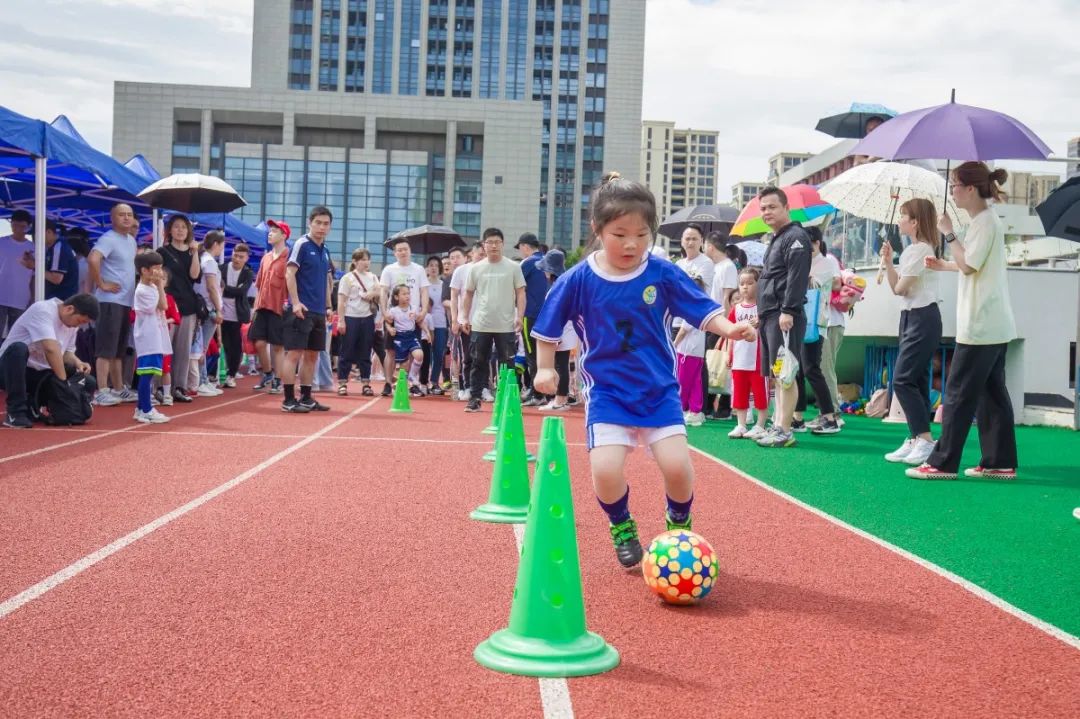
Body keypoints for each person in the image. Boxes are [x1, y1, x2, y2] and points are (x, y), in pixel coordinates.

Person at [531, 172, 755, 568]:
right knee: (604, 469)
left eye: (641, 234)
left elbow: (702, 310)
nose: (631, 243)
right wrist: (545, 368)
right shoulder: (579, 279)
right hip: (608, 394)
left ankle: (678, 521)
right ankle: (621, 525)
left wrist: (730, 328)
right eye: (620, 234)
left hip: (658, 391)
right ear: (598, 230)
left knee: (677, 467)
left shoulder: (661, 272)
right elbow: (547, 325)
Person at [907, 163, 1018, 480]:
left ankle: (942, 462)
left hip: (981, 324)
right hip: (992, 323)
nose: (951, 190)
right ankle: (999, 461)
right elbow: (973, 263)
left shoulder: (984, 222)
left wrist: (948, 233)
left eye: (954, 184)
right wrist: (944, 265)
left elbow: (970, 264)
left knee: (957, 393)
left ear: (971, 188)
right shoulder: (984, 221)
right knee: (992, 394)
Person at [883, 198, 942, 465]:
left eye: (903, 215)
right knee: (914, 380)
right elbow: (897, 289)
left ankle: (925, 439)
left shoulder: (921, 250)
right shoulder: (911, 251)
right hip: (910, 316)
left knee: (903, 379)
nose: (900, 220)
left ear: (915, 221)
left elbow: (900, 289)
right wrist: (888, 262)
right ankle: (917, 438)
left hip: (922, 316)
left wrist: (892, 268)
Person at [753, 187, 811, 448]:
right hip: (770, 316)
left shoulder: (796, 237)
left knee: (785, 373)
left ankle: (785, 429)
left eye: (772, 207)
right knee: (778, 375)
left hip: (783, 315)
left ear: (786, 208)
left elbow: (796, 279)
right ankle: (778, 424)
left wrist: (788, 310)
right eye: (763, 208)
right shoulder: (776, 238)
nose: (766, 212)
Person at [0, 294, 98, 428]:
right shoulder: (43, 310)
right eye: (80, 321)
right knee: (18, 349)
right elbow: (51, 349)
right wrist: (64, 385)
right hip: (10, 368)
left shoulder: (71, 325)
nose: (79, 326)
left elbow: (66, 353)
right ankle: (15, 413)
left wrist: (78, 362)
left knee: (88, 381)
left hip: (39, 373)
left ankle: (35, 405)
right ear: (69, 309)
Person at [462, 227, 526, 413]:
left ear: (503, 244)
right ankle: (474, 399)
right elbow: (468, 294)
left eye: (497, 242)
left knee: (508, 364)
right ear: (484, 245)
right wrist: (464, 317)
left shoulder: (513, 267)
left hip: (506, 325)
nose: (493, 245)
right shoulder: (476, 268)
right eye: (489, 242)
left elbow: (521, 293)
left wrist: (519, 317)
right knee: (478, 362)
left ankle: (508, 400)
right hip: (481, 324)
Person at [281, 207, 333, 413]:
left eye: (326, 223)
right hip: (301, 310)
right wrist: (295, 302)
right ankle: (287, 399)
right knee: (293, 354)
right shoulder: (301, 245)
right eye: (318, 222)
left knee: (312, 356)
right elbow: (289, 274)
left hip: (319, 311)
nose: (321, 227)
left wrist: (329, 306)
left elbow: (326, 280)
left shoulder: (325, 250)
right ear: (309, 223)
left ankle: (306, 397)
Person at [88, 203, 139, 406]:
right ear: (113, 218)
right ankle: (101, 390)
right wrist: (101, 284)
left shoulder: (131, 241)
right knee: (105, 348)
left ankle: (119, 389)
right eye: (122, 215)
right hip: (110, 301)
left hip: (125, 301)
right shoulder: (108, 238)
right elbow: (93, 259)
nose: (126, 218)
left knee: (119, 350)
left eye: (129, 215)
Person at [157, 215, 202, 404]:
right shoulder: (162, 252)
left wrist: (196, 253)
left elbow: (194, 275)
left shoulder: (192, 253)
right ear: (170, 230)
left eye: (184, 227)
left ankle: (179, 387)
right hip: (167, 305)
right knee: (164, 347)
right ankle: (160, 387)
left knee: (183, 350)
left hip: (188, 306)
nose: (180, 230)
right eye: (176, 227)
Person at [801, 227, 842, 435]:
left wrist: (802, 274)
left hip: (815, 322)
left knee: (811, 369)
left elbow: (815, 285)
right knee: (799, 370)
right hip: (801, 320)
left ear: (816, 243)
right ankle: (797, 416)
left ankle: (830, 417)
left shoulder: (826, 262)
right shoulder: (805, 261)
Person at [379, 239, 429, 394]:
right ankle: (388, 383)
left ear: (410, 250)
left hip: (412, 317)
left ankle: (409, 382)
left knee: (413, 352)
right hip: (394, 316)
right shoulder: (389, 269)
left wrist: (424, 311)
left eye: (405, 249)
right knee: (391, 351)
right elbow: (383, 292)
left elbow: (424, 291)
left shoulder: (418, 269)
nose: (402, 252)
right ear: (395, 253)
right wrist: (384, 312)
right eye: (399, 250)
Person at [250, 219, 291, 395]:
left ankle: (278, 379)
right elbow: (258, 284)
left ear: (284, 235)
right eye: (270, 230)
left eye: (274, 231)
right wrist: (254, 308)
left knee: (278, 346)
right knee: (258, 343)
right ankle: (267, 373)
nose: (270, 233)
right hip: (262, 305)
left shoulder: (289, 258)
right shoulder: (266, 257)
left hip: (279, 307)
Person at [727, 268, 769, 439]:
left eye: (750, 283)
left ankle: (760, 425)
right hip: (739, 360)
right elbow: (729, 333)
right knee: (739, 394)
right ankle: (741, 425)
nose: (745, 287)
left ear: (758, 284)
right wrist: (728, 354)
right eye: (742, 284)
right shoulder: (735, 309)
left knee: (760, 394)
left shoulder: (764, 308)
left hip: (758, 360)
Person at [131, 252, 172, 424]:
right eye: (156, 269)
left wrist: (158, 286)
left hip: (156, 335)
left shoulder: (152, 287)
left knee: (149, 373)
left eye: (160, 269)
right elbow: (164, 305)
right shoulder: (142, 290)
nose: (159, 273)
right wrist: (161, 286)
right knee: (146, 374)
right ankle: (146, 409)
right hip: (148, 337)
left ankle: (142, 408)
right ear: (144, 271)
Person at [704, 230, 738, 419]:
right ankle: (708, 405)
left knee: (724, 363)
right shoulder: (715, 266)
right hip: (711, 321)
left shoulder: (727, 267)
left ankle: (724, 407)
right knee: (712, 362)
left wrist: (726, 325)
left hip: (721, 321)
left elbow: (728, 296)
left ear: (710, 246)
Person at [336, 248, 381, 396]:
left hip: (367, 317)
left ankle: (366, 383)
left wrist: (371, 294)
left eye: (368, 259)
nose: (366, 262)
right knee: (346, 350)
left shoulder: (373, 277)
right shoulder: (347, 278)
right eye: (362, 259)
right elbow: (341, 300)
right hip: (350, 317)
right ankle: (342, 382)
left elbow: (380, 292)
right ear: (355, 262)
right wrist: (341, 320)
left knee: (365, 351)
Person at [534, 248, 574, 411]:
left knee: (561, 365)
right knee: (561, 364)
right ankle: (561, 399)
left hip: (561, 331)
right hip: (565, 330)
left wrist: (555, 336)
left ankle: (560, 400)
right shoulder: (563, 284)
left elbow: (555, 314)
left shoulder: (557, 287)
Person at [673, 273, 709, 426]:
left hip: (687, 351)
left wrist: (674, 344)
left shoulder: (692, 308)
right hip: (697, 351)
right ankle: (695, 411)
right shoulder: (703, 306)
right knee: (695, 381)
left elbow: (683, 330)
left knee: (683, 381)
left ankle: (681, 409)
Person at [516, 232, 547, 406]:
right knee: (543, 354)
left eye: (520, 248)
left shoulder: (527, 263)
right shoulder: (546, 260)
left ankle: (537, 393)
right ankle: (540, 391)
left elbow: (517, 286)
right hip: (546, 314)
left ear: (525, 246)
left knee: (531, 355)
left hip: (531, 314)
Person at [218, 243, 254, 388]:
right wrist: (231, 289)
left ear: (246, 258)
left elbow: (242, 292)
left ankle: (232, 373)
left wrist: (225, 288)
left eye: (241, 257)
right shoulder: (222, 269)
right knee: (222, 343)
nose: (237, 259)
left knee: (235, 345)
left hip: (237, 314)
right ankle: (218, 373)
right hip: (220, 311)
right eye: (235, 255)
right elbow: (217, 287)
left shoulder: (247, 273)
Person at [0, 209, 34, 341]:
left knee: (16, 337)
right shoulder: (2, 242)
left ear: (28, 227)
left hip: (21, 298)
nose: (18, 229)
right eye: (14, 225)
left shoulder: (33, 248)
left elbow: (34, 276)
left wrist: (33, 297)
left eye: (22, 226)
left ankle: (10, 361)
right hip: (1, 294)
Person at [385, 285, 425, 386]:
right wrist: (390, 329)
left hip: (411, 336)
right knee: (404, 364)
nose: (407, 296)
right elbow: (387, 321)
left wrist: (427, 332)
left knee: (419, 355)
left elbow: (419, 321)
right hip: (400, 337)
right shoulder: (394, 310)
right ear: (396, 297)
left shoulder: (413, 308)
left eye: (408, 293)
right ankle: (400, 384)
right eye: (404, 294)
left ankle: (412, 375)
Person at [422, 255, 448, 395]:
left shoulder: (444, 285)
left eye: (436, 265)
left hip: (440, 323)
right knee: (425, 355)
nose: (433, 268)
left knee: (438, 354)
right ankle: (422, 382)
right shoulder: (423, 284)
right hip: (424, 323)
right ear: (427, 268)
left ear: (440, 268)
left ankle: (434, 382)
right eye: (430, 265)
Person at [42, 221, 80, 301]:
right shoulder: (53, 247)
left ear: (49, 232)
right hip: (59, 299)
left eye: (37, 233)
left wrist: (35, 266)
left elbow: (56, 278)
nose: (35, 237)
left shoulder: (58, 247)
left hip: (60, 300)